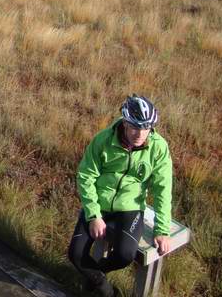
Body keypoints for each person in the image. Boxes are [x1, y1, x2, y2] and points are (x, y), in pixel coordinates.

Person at [67, 94, 173, 297]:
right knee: (75, 254)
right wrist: (94, 215)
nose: (141, 133)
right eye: (135, 127)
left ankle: (96, 272)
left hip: (130, 207)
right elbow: (86, 176)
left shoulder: (158, 148)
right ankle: (107, 291)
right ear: (125, 122)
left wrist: (162, 230)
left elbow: (163, 189)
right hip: (99, 202)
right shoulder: (103, 139)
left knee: (125, 255)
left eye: (147, 128)